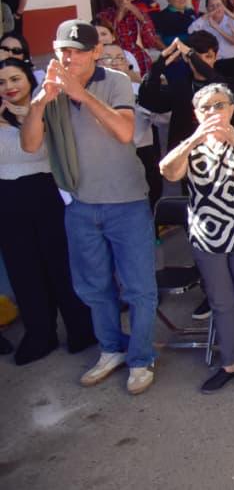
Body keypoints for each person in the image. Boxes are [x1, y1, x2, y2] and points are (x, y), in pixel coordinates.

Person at [19, 20, 159, 394]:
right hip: (80, 205)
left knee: (138, 288)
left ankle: (141, 358)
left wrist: (79, 92)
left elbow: (125, 131)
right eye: (64, 50)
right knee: (94, 288)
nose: (70, 57)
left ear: (96, 52)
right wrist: (38, 104)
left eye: (79, 50)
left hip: (127, 202)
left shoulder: (113, 81)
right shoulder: (48, 88)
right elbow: (31, 145)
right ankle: (111, 349)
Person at [158, 82, 234, 393]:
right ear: (196, 113)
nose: (213, 111)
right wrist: (194, 139)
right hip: (208, 237)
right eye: (206, 107)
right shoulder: (190, 145)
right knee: (221, 303)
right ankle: (229, 363)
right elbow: (168, 172)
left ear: (232, 109)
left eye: (219, 104)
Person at [0, 58, 95, 364]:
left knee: (62, 263)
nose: (9, 87)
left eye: (15, 79)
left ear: (29, 79)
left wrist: (36, 109)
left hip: (48, 191)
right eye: (2, 82)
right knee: (23, 269)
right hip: (8, 196)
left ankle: (80, 328)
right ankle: (40, 333)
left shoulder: (50, 107)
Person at [97, 0, 162, 76]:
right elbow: (106, 42)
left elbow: (150, 42)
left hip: (140, 61)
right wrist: (118, 16)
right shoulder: (104, 15)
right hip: (114, 64)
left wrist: (141, 18)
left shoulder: (140, 13)